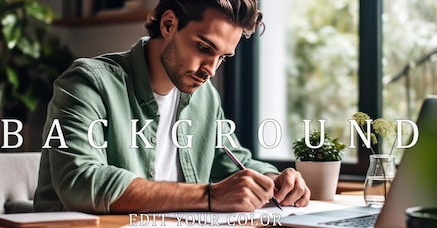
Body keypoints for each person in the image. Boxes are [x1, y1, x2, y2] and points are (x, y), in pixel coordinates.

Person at [34, 0, 310, 215]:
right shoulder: (87, 82)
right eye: (204, 47)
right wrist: (209, 197)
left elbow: (234, 163)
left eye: (222, 57)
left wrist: (275, 181)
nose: (211, 70)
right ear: (168, 24)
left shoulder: (205, 98)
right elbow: (81, 182)